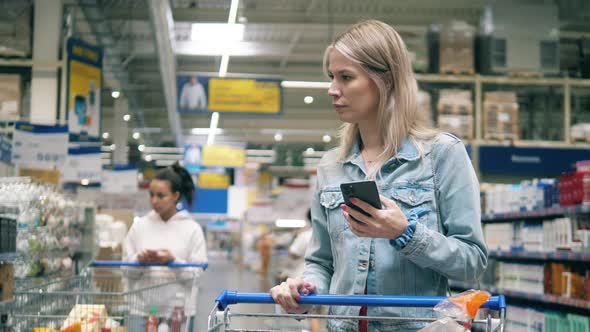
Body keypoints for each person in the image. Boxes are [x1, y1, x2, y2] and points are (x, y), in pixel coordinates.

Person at [270, 20, 487, 332]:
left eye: (346, 77)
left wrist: (406, 233)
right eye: (332, 77)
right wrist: (305, 289)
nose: (333, 89)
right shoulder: (332, 166)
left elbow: (472, 262)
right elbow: (321, 262)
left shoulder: (442, 155)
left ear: (384, 80)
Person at [124, 162, 207, 332]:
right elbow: (126, 270)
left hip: (178, 311)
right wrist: (139, 260)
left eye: (161, 196)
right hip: (141, 310)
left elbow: (197, 275)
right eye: (151, 195)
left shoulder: (192, 229)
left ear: (176, 196)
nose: (154, 201)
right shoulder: (140, 227)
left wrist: (173, 260)